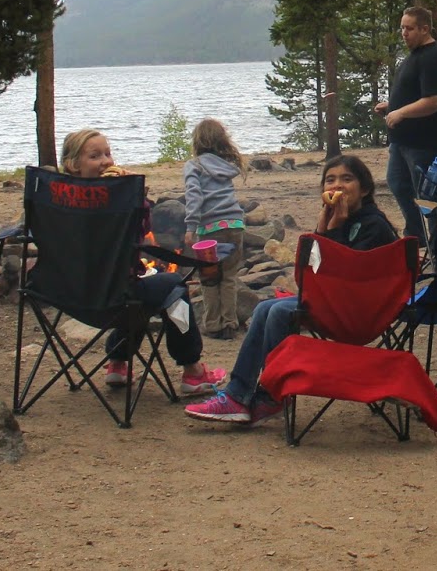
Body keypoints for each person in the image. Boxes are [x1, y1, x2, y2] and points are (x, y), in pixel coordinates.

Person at [185, 155, 398, 426]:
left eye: (347, 179)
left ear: (365, 189)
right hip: (335, 302)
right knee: (264, 307)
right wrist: (322, 228)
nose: (338, 185)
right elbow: (307, 274)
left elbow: (338, 278)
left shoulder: (372, 225)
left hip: (358, 313)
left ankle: (270, 396)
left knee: (279, 312)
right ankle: (238, 396)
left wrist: (331, 231)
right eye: (330, 179)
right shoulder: (341, 221)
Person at [59, 128, 226, 398]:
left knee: (137, 293)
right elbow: (141, 232)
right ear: (73, 164)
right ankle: (193, 372)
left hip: (65, 294)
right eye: (95, 156)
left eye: (107, 153)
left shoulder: (56, 201)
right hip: (113, 297)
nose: (106, 161)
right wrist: (136, 199)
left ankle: (118, 363)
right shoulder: (116, 201)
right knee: (172, 286)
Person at [374, 6, 437, 244]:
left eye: (409, 28)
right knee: (398, 183)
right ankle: (415, 235)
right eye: (402, 28)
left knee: (428, 194)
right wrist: (392, 106)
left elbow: (436, 100)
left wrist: (400, 112)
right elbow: (415, 95)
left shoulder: (432, 57)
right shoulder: (415, 57)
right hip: (403, 141)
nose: (404, 33)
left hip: (427, 142)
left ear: (424, 29)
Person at [183, 117, 248, 340]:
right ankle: (230, 324)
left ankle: (212, 325)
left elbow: (194, 196)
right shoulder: (225, 166)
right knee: (229, 277)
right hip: (235, 225)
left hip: (210, 232)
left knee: (209, 279)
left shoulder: (194, 165)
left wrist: (191, 227)